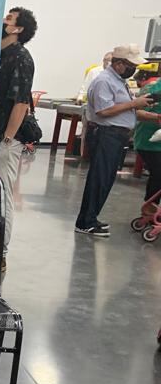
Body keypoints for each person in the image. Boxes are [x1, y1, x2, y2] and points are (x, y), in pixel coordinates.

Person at [74, 44, 154, 238]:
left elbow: (127, 111)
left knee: (105, 179)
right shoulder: (104, 81)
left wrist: (154, 117)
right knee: (99, 179)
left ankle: (91, 218)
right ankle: (85, 222)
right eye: (131, 66)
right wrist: (134, 103)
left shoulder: (119, 82)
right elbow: (104, 111)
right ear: (118, 64)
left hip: (115, 136)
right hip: (106, 135)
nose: (133, 70)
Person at [0, 6, 37, 273]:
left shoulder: (21, 58)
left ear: (17, 29)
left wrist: (6, 140)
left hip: (3, 140)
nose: (2, 20)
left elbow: (21, 102)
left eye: (8, 18)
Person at [132, 72, 161, 212]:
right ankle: (149, 210)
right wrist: (158, 117)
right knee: (159, 173)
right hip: (149, 142)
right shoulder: (152, 88)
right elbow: (136, 112)